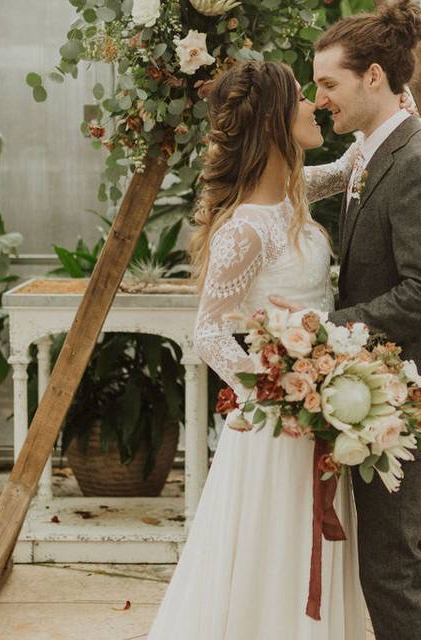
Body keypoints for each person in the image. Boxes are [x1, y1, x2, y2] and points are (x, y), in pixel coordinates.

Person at [146, 59, 368, 639]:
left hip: (315, 412)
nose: (314, 105)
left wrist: (388, 99)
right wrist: (279, 389)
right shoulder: (246, 228)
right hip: (279, 426)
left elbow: (347, 169)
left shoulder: (292, 195)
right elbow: (210, 331)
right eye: (301, 97)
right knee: (275, 555)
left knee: (304, 549)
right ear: (274, 119)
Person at [273, 1, 421, 638]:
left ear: (373, 77)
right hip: (374, 396)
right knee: (386, 563)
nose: (320, 98)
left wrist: (324, 327)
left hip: (402, 403)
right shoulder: (371, 152)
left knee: (392, 566)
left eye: (328, 83)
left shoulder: (417, 164)